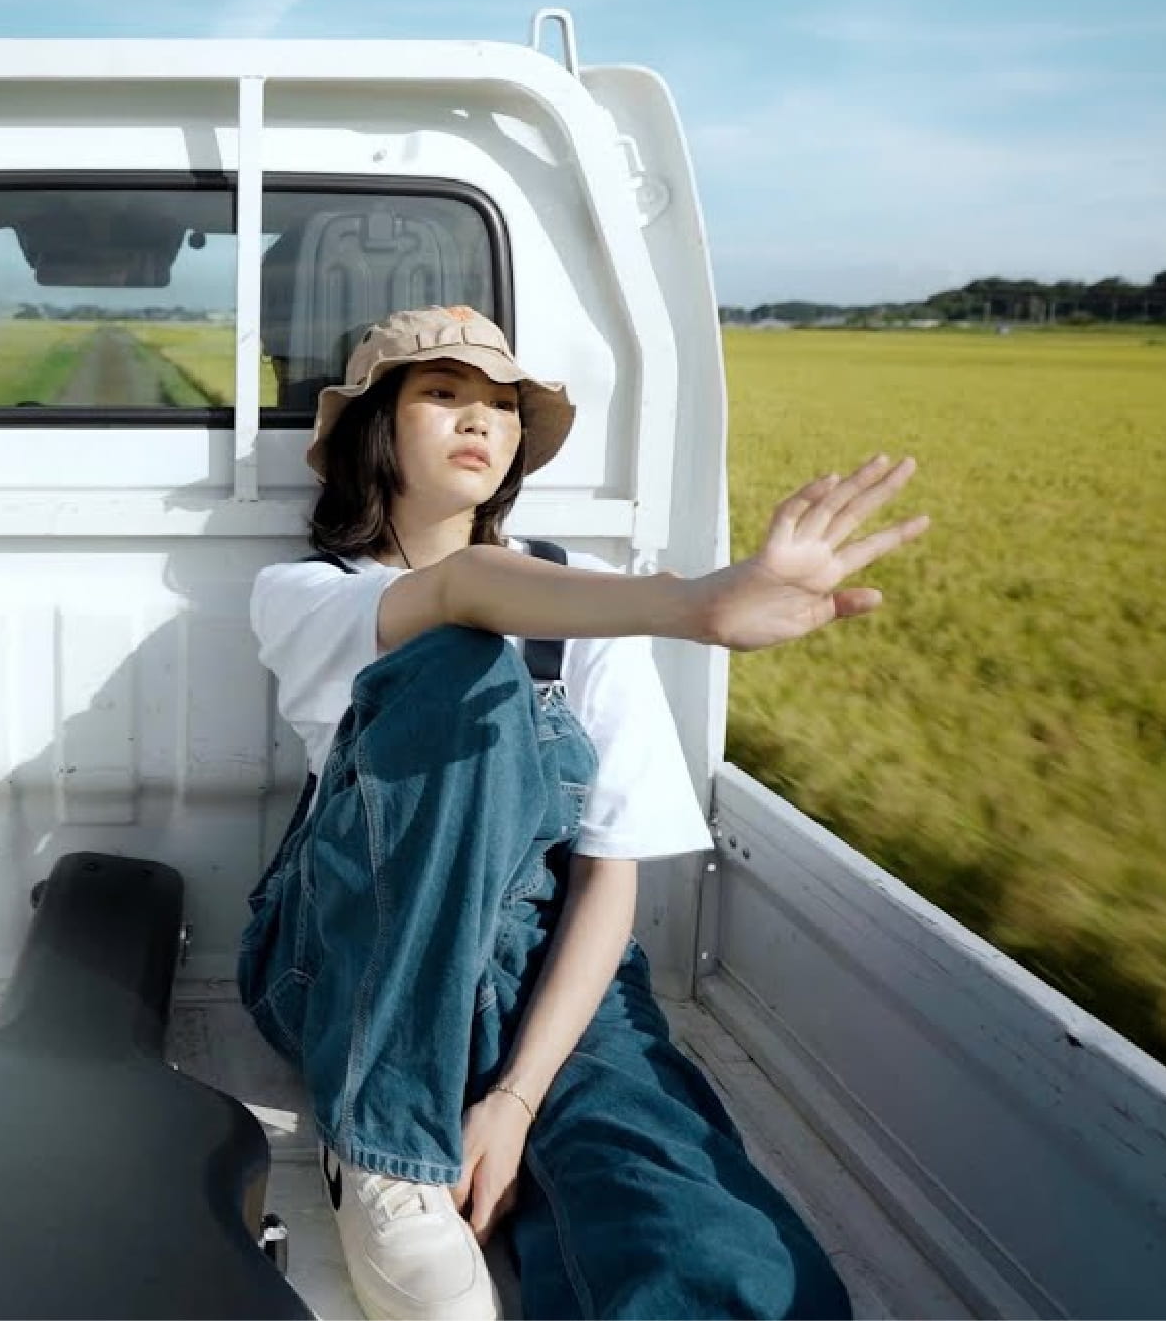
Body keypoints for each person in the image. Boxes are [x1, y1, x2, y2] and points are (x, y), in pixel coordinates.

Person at [241, 306, 927, 1321]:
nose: (480, 418)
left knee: (704, 1240)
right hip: (349, 954)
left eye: (501, 404)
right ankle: (382, 1148)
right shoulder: (305, 591)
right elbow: (461, 592)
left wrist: (516, 1102)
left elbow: (609, 869)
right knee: (463, 671)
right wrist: (692, 606)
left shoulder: (589, 596)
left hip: (546, 968)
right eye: (443, 393)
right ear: (376, 429)